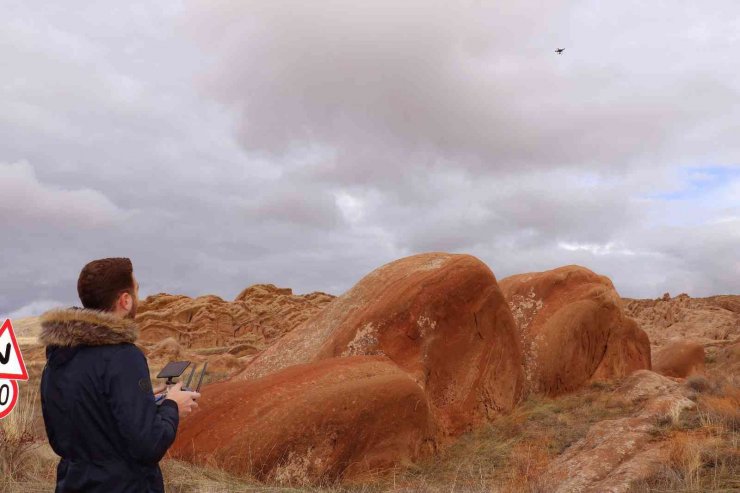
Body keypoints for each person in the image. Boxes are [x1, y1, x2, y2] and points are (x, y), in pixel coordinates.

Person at [39, 257, 200, 492]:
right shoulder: (123, 356)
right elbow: (149, 445)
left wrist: (142, 400)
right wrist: (172, 406)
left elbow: (77, 427)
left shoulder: (59, 355)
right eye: (136, 290)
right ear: (125, 300)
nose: (138, 298)